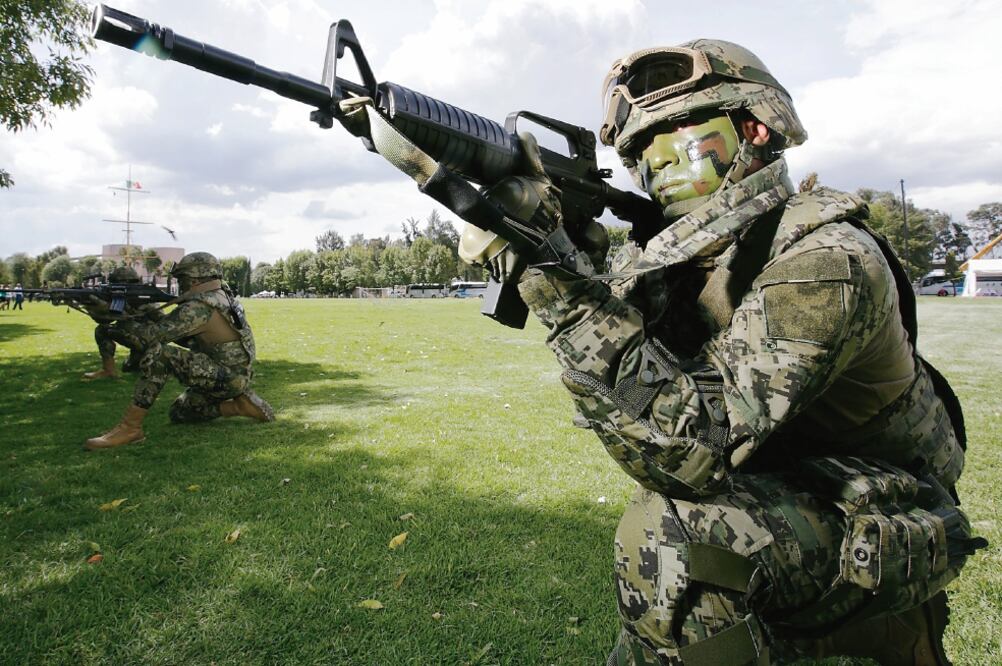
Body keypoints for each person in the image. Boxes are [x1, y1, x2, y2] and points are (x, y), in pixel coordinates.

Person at [447, 41, 986, 664]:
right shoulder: (676, 262)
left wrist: (553, 281)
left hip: (879, 514)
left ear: (755, 127)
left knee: (673, 538)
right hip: (782, 490)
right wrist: (566, 253)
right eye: (638, 149)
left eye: (674, 131)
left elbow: (691, 449)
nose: (653, 160)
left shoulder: (826, 259)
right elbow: (635, 379)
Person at [85, 252, 274, 451]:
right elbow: (179, 332)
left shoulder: (199, 307)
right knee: (180, 413)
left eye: (181, 279)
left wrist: (114, 314)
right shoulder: (221, 296)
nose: (180, 284)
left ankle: (130, 428)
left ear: (192, 279)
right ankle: (239, 406)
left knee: (160, 354)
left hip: (226, 376)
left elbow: (149, 339)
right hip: (231, 373)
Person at [81, 266, 165, 380]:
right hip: (138, 340)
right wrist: (94, 306)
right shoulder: (120, 297)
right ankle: (111, 370)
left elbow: (162, 320)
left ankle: (110, 370)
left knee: (105, 330)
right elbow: (106, 320)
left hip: (151, 342)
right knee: (128, 367)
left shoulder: (143, 296)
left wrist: (141, 308)